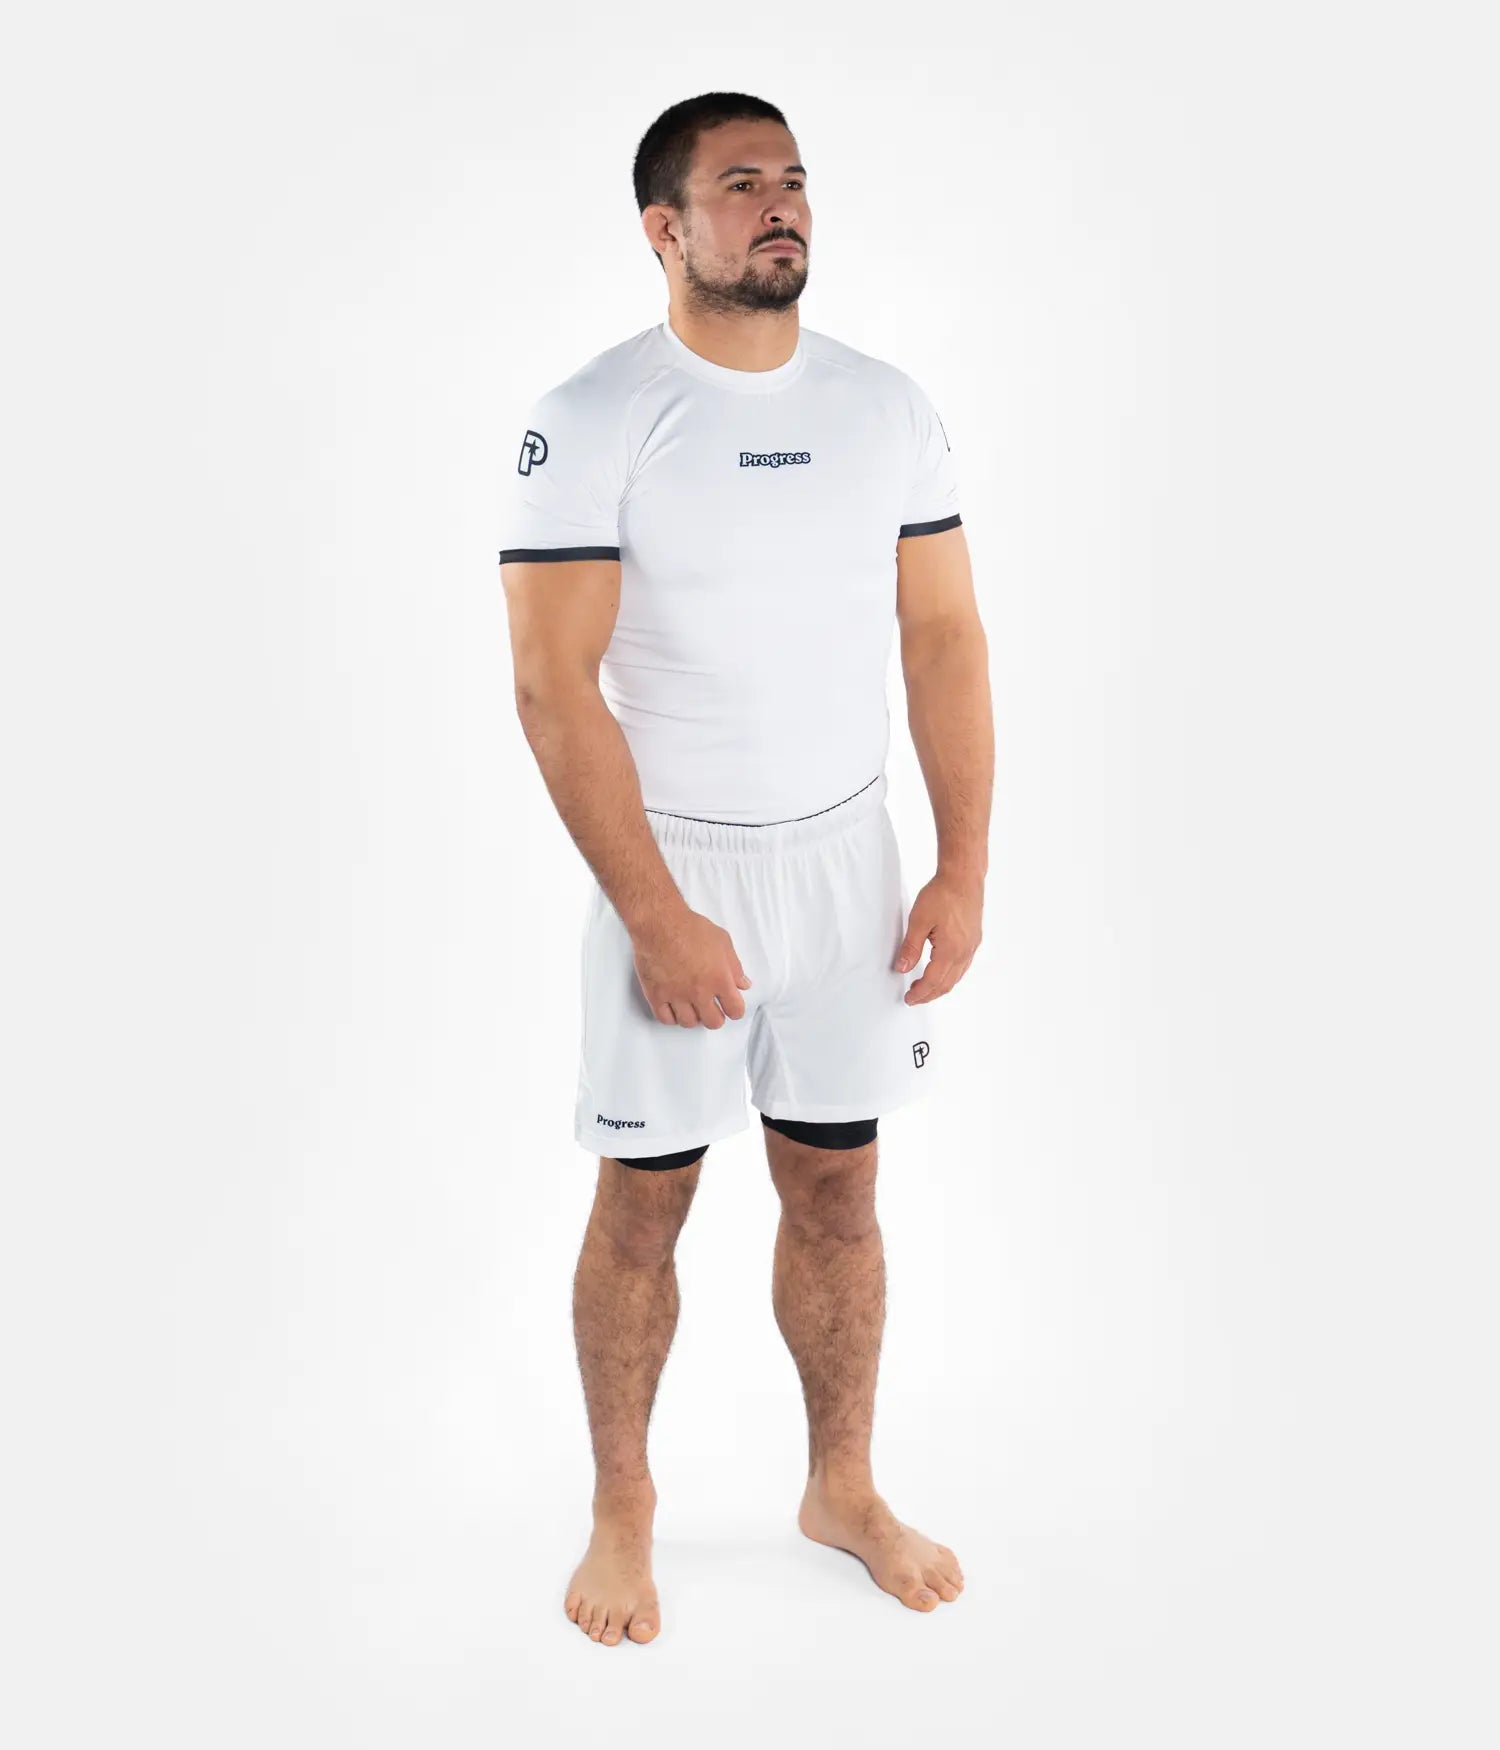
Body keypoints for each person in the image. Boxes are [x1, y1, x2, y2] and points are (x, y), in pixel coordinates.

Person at [498, 91, 993, 1646]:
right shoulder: (593, 416)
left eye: (792, 179)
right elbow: (551, 686)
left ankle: (841, 1484)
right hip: (678, 866)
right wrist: (656, 913)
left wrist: (962, 865)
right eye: (739, 184)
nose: (780, 204)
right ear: (666, 228)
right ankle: (623, 1505)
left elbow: (944, 637)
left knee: (841, 1184)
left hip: (848, 862)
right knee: (644, 1202)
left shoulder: (884, 407)